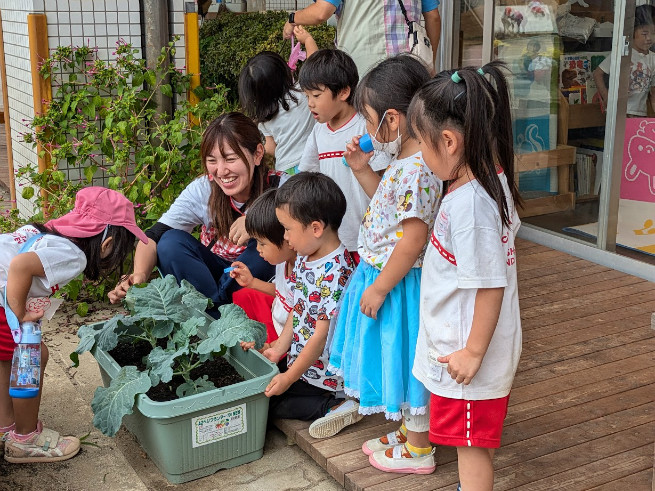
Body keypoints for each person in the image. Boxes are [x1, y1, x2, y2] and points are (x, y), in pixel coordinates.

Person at [407, 62, 523, 491]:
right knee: (471, 445)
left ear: (450, 141)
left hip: (467, 361)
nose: (420, 152)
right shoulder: (486, 181)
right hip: (462, 352)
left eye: (421, 142)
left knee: (471, 450)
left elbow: (491, 285)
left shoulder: (471, 206)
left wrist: (472, 353)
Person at [325, 55, 442, 474]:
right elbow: (392, 213)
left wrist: (379, 287)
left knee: (404, 357)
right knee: (395, 356)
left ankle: (420, 447)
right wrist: (361, 170)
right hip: (387, 276)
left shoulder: (418, 169)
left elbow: (412, 240)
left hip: (398, 282)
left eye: (369, 120)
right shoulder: (405, 160)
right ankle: (411, 432)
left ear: (392, 120)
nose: (367, 131)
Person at [0, 187, 148, 463]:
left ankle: (6, 423)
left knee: (8, 358)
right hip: (3, 301)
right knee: (31, 357)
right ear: (107, 244)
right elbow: (20, 266)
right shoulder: (73, 255)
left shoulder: (46, 234)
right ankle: (25, 439)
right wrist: (18, 314)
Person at [108, 112, 280, 310]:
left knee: (269, 241)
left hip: (255, 281)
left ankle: (224, 315)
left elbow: (314, 227)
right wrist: (138, 277)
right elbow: (153, 236)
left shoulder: (283, 187)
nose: (222, 171)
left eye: (231, 159)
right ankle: (212, 314)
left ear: (258, 154)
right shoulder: (203, 189)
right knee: (169, 242)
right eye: (212, 161)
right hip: (213, 276)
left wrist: (256, 223)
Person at [262, 172, 360, 437]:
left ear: (316, 228)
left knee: (274, 402)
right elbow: (299, 308)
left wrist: (289, 376)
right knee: (266, 390)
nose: (284, 237)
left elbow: (320, 336)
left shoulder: (335, 272)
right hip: (305, 365)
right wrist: (279, 349)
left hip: (327, 377)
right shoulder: (307, 256)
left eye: (287, 228)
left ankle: (335, 406)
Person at [298, 49, 389, 256]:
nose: (310, 103)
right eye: (307, 96)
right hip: (331, 239)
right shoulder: (319, 130)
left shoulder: (366, 127)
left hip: (367, 237)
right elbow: (306, 175)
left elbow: (383, 184)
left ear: (343, 92)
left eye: (316, 95)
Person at [282, 0, 441, 77]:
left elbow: (321, 12)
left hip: (363, 68)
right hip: (411, 66)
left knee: (366, 133)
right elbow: (433, 17)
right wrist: (429, 62)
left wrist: (292, 18)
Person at [238, 27, 317, 175]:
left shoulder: (264, 118)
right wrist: (308, 40)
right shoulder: (302, 92)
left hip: (285, 170)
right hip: (313, 163)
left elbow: (271, 148)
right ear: (283, 70)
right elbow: (315, 67)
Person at [229, 189, 296, 348]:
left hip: (291, 334)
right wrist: (251, 282)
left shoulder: (305, 273)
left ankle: (266, 346)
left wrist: (271, 346)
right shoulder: (283, 261)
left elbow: (300, 320)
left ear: (287, 238)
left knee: (264, 342)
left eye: (262, 243)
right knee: (246, 294)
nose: (258, 249)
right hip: (279, 315)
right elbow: (282, 291)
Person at [593, 5, 655, 117]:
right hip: (619, 112)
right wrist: (607, 97)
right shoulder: (623, 53)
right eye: (644, 34)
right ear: (632, 33)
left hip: (640, 114)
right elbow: (598, 73)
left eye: (654, 33)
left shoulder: (653, 58)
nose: (649, 38)